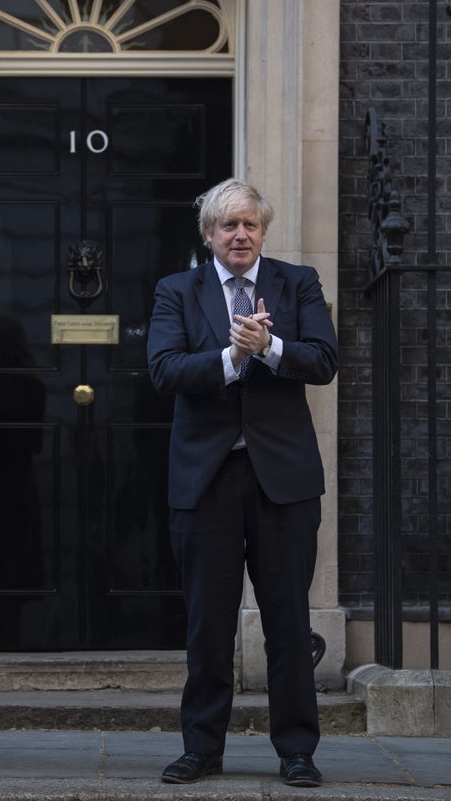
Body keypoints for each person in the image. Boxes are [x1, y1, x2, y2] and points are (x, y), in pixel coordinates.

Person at [147, 178, 338, 788]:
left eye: (250, 224)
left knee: (287, 619)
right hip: (207, 480)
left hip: (283, 478)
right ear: (209, 235)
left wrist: (271, 346)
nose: (240, 235)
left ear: (263, 231)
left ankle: (297, 751)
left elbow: (324, 360)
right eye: (228, 225)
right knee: (209, 622)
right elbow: (164, 368)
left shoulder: (297, 282)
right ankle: (202, 747)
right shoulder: (177, 289)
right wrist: (233, 357)